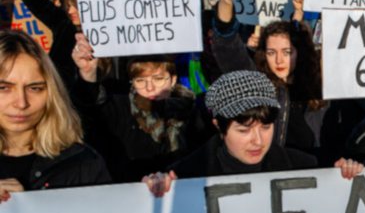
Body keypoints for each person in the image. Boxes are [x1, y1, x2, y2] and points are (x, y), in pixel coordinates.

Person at [143, 70, 362, 196]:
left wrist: (344, 177)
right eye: (244, 130)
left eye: (266, 127)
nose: (258, 141)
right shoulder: (185, 176)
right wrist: (153, 193)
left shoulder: (306, 167)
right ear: (218, 126)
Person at [71, 34, 212, 181]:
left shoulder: (193, 112)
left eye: (158, 79)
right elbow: (88, 109)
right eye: (140, 80)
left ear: (173, 80)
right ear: (132, 81)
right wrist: (88, 74)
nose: (150, 87)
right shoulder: (120, 109)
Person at [211, 0, 322, 154]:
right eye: (271, 52)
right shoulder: (257, 83)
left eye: (287, 52)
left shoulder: (316, 86)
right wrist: (226, 1)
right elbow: (227, 46)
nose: (279, 60)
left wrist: (299, 13)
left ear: (299, 52)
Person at [0, 30, 109, 202]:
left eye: (34, 88)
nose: (21, 103)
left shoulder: (82, 164)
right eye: (4, 88)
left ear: (51, 94)